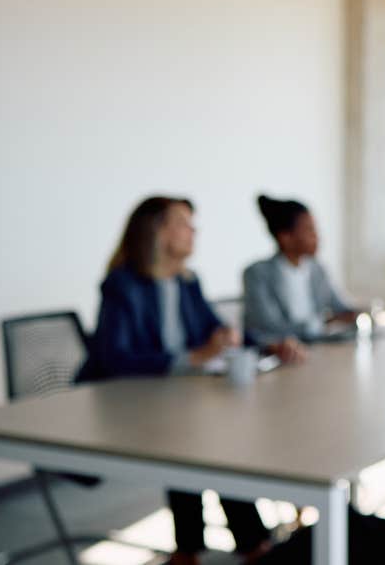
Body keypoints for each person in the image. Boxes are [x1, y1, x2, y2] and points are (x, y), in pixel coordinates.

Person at [75, 196, 270, 565]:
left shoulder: (186, 282)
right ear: (156, 231)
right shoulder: (122, 285)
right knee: (208, 439)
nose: (194, 231)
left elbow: (216, 328)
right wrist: (193, 357)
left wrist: (256, 341)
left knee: (205, 431)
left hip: (177, 400)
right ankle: (247, 543)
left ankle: (196, 547)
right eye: (183, 222)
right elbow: (114, 359)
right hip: (124, 405)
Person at [242, 196, 359, 350]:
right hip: (280, 356)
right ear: (286, 237)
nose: (316, 236)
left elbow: (341, 309)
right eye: (309, 230)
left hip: (318, 350)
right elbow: (269, 327)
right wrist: (323, 323)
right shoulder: (257, 274)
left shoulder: (317, 269)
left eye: (315, 229)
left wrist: (356, 314)